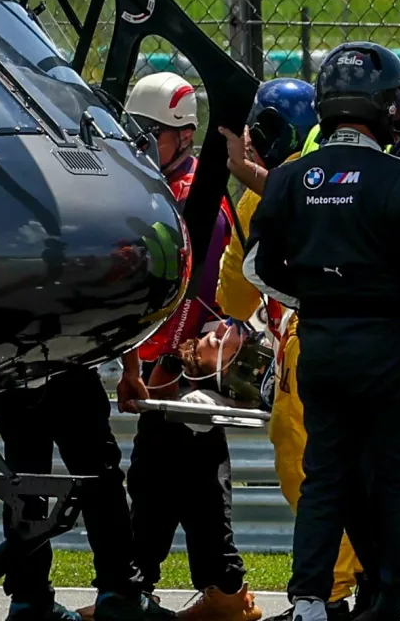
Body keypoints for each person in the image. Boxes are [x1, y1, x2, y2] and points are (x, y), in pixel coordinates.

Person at [243, 41, 400, 621]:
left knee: (324, 479)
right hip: (389, 348)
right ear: (388, 105)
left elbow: (254, 267)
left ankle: (311, 600)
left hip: (320, 345)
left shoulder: (288, 180)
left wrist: (316, 298)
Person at [218, 79, 375, 621]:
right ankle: (369, 582)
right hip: (377, 340)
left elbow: (235, 297)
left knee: (309, 467)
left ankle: (329, 596)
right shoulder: (351, 175)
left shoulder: (264, 194)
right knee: (365, 468)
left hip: (312, 344)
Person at [116, 72, 262, 621]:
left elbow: (196, 296)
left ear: (182, 134)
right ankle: (202, 588)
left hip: (188, 369)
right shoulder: (167, 190)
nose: (138, 144)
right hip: (170, 367)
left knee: (169, 476)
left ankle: (174, 588)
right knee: (171, 476)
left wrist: (165, 369)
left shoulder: (192, 199)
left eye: (148, 132)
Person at [0, 370, 176, 621]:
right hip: (67, 361)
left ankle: (29, 598)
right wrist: (131, 370)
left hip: (11, 371)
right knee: (98, 476)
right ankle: (119, 592)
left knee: (25, 483)